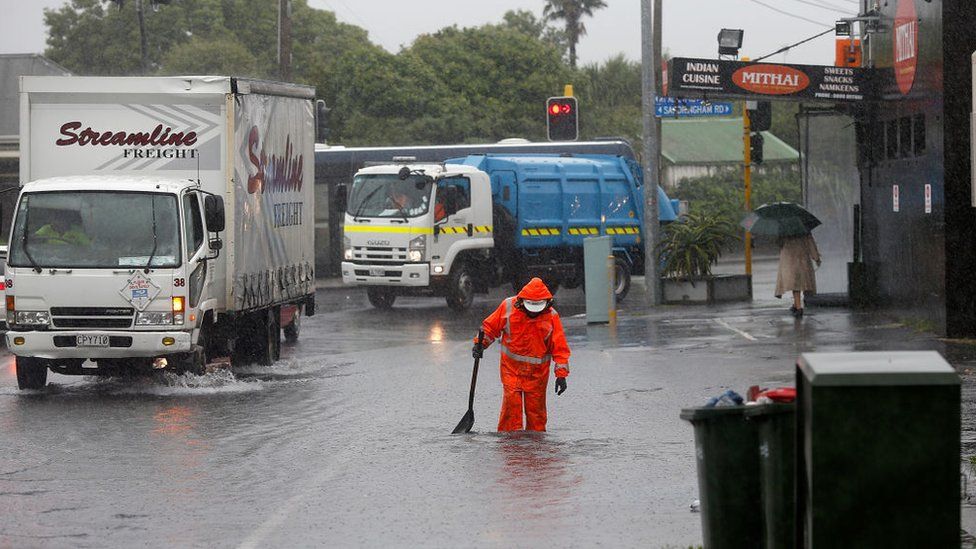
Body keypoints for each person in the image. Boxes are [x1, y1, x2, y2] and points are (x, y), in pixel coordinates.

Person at [472, 277, 571, 432]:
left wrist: (561, 375)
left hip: (537, 375)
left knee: (536, 413)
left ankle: (536, 444)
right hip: (511, 370)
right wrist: (480, 344)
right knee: (511, 408)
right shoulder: (508, 307)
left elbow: (559, 348)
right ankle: (511, 443)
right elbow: (490, 328)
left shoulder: (551, 316)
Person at [775, 232, 821, 317]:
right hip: (802, 257)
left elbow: (779, 243)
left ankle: (798, 307)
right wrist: (816, 258)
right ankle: (797, 305)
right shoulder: (804, 229)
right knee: (799, 282)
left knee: (795, 283)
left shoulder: (783, 229)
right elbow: (810, 243)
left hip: (788, 258)